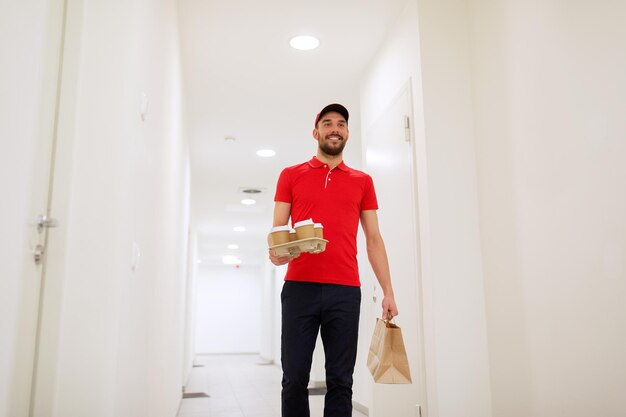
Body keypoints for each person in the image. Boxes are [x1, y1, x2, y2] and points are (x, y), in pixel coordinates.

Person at [268, 103, 399, 417]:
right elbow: (278, 231)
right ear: (316, 132)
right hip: (299, 289)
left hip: (344, 291)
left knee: (341, 380)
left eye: (341, 124)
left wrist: (388, 292)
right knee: (295, 378)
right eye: (327, 123)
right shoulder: (290, 175)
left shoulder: (362, 181)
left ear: (348, 133)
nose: (334, 129)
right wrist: (278, 252)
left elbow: (374, 239)